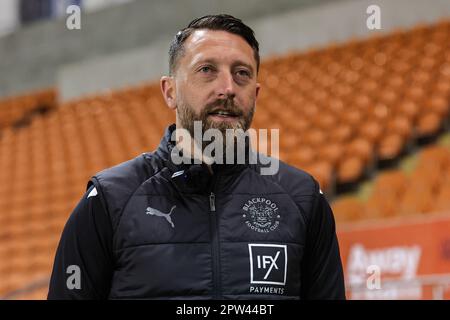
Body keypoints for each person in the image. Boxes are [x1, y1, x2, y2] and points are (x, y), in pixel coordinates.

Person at [48, 14, 345, 300]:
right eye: (207, 70)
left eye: (241, 73)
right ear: (170, 91)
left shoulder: (303, 198)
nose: (227, 88)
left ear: (255, 93)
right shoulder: (109, 199)